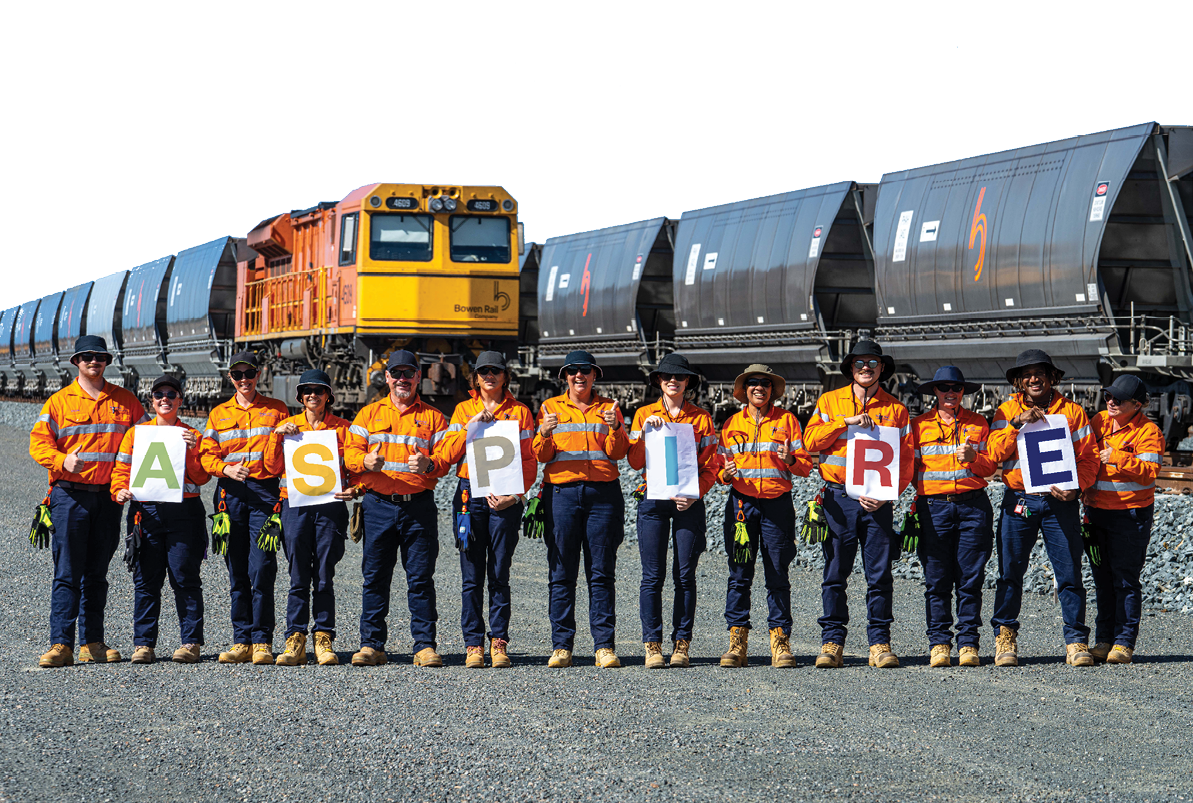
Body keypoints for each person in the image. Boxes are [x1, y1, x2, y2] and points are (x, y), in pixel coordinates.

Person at [29, 334, 147, 667]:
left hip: (109, 499)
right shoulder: (59, 402)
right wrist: (61, 460)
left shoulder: (126, 401)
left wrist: (183, 437)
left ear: (107, 362)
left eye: (99, 356)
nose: (93, 361)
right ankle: (61, 644)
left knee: (97, 573)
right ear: (76, 363)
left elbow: (148, 441)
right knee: (67, 571)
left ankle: (93, 642)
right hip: (69, 497)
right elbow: (38, 444)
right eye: (86, 357)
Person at [803, 339, 913, 669]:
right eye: (860, 363)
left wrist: (888, 494)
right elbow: (809, 442)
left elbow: (907, 461)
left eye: (872, 363)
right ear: (851, 368)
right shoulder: (830, 401)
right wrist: (843, 423)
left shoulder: (896, 410)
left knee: (879, 575)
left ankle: (879, 643)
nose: (866, 368)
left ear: (882, 369)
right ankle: (832, 642)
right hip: (839, 500)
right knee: (835, 573)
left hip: (878, 503)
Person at [987, 349, 1099, 667]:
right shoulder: (1005, 410)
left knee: (1069, 574)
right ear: (1020, 382)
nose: (1034, 379)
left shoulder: (1073, 413)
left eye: (1040, 373)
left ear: (1052, 377)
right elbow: (994, 452)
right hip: (1019, 501)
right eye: (1027, 374)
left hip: (1059, 504)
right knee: (1010, 573)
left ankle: (1076, 641)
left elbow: (1089, 458)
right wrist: (1016, 424)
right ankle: (1005, 638)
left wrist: (1077, 488)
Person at [344, 350, 450, 667]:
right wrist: (364, 462)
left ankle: (424, 646)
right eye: (397, 373)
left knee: (420, 579)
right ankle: (371, 644)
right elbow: (350, 454)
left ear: (418, 377)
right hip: (377, 506)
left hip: (418, 507)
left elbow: (445, 461)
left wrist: (429, 463)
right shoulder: (367, 415)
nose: (402, 379)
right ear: (387, 377)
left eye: (409, 373)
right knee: (375, 578)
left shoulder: (434, 418)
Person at [439, 351, 536, 668]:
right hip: (469, 497)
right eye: (483, 372)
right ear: (475, 378)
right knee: (471, 576)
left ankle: (499, 642)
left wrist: (516, 496)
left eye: (495, 371)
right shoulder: (462, 410)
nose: (489, 376)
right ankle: (472, 645)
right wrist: (469, 427)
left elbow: (529, 460)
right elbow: (449, 454)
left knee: (499, 573)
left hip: (504, 499)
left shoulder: (520, 412)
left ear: (505, 376)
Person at [532, 349, 629, 668]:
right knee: (562, 572)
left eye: (585, 370)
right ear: (564, 376)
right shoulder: (550, 408)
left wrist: (616, 428)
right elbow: (542, 456)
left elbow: (618, 453)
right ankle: (562, 646)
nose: (579, 375)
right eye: (572, 370)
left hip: (603, 496)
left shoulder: (610, 409)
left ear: (594, 375)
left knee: (601, 572)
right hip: (562, 494)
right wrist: (544, 433)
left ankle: (604, 646)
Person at [626, 353, 719, 669]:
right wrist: (643, 435)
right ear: (659, 382)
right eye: (667, 377)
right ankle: (652, 645)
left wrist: (695, 495)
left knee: (684, 576)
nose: (673, 381)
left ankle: (682, 644)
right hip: (653, 502)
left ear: (688, 382)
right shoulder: (643, 415)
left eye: (679, 377)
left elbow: (712, 465)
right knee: (652, 576)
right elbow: (635, 462)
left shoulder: (701, 419)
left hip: (687, 504)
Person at [716, 363, 811, 668]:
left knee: (777, 574)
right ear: (744, 390)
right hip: (741, 507)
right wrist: (724, 475)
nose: (759, 387)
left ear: (772, 390)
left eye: (765, 384)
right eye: (753, 383)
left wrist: (790, 459)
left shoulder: (788, 421)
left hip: (777, 506)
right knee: (740, 574)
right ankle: (737, 642)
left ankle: (781, 642)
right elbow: (719, 469)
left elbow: (806, 466)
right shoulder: (730, 424)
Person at [111, 375, 211, 664]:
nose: (164, 399)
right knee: (146, 580)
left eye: (171, 394)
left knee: (185, 578)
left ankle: (190, 643)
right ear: (151, 401)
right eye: (159, 395)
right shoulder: (136, 434)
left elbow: (202, 477)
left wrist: (194, 449)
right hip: (147, 513)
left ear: (180, 400)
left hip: (185, 514)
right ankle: (144, 644)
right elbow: (122, 469)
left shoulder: (193, 434)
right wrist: (119, 490)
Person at [263, 369, 359, 667]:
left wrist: (356, 489)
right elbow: (270, 466)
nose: (313, 395)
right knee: (297, 575)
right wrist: (276, 437)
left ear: (328, 396)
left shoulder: (344, 429)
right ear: (300, 397)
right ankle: (295, 638)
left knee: (324, 576)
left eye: (319, 390)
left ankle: (324, 637)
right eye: (307, 391)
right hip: (296, 507)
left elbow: (356, 469)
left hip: (330, 509)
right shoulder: (288, 428)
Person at [199, 351, 290, 665]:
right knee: (236, 569)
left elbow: (288, 454)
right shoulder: (218, 414)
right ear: (230, 378)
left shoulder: (278, 410)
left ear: (259, 374)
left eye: (249, 374)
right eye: (237, 375)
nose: (244, 380)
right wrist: (224, 469)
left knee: (263, 567)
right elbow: (206, 455)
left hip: (265, 496)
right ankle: (242, 640)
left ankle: (262, 639)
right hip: (230, 498)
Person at [909, 367, 997, 668]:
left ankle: (969, 643)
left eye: (956, 388)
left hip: (973, 507)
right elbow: (911, 470)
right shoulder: (918, 426)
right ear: (935, 391)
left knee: (970, 579)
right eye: (944, 387)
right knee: (937, 579)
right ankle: (939, 644)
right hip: (934, 508)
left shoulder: (978, 423)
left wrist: (976, 459)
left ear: (963, 392)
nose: (951, 392)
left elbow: (990, 468)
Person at [1083, 375, 1163, 665]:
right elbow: (1086, 459)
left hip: (1131, 515)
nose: (1111, 402)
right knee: (1102, 579)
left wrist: (1117, 456)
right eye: (1108, 396)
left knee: (1126, 580)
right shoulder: (1098, 422)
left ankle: (1124, 642)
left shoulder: (1148, 432)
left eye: (1119, 399)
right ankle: (1104, 639)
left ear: (1137, 404)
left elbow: (1150, 470)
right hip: (1096, 514)